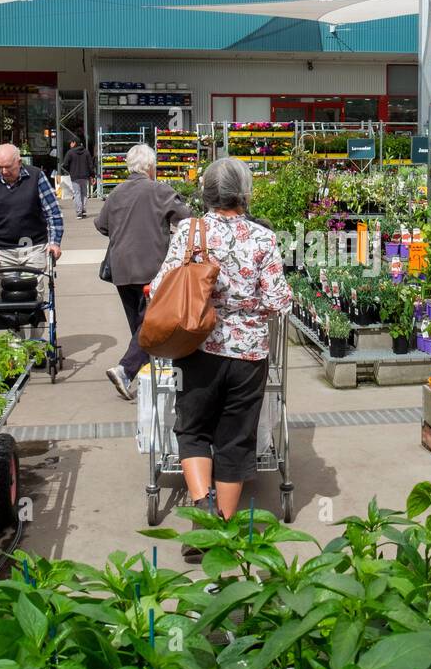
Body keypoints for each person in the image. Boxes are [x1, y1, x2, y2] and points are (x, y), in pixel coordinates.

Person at [148, 157, 291, 555]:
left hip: (198, 347)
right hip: (248, 355)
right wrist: (249, 309)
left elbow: (161, 285)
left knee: (192, 428)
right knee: (235, 439)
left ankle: (202, 510)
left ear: (207, 193)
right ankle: (223, 531)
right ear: (244, 193)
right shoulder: (263, 239)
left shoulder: (189, 233)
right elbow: (279, 301)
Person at [95, 144, 191, 401]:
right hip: (152, 267)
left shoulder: (115, 192)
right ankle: (126, 370)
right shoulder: (159, 190)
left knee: (141, 325)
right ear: (151, 166)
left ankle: (141, 371)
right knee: (152, 325)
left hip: (121, 269)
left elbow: (101, 225)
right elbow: (187, 218)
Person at [0, 143, 63, 330]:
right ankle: (13, 346)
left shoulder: (36, 176)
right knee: (6, 297)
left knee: (33, 294)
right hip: (1, 249)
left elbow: (53, 213)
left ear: (19, 162)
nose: (4, 171)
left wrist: (54, 242)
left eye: (8, 167)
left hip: (33, 246)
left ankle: (35, 344)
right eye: (0, 166)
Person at [60, 139, 96, 219]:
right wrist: (92, 176)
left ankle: (79, 212)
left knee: (77, 193)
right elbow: (90, 165)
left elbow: (65, 164)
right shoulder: (86, 152)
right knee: (84, 193)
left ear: (74, 143)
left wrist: (70, 171)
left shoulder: (70, 152)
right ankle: (83, 210)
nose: (70, 144)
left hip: (75, 176)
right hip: (85, 176)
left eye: (71, 142)